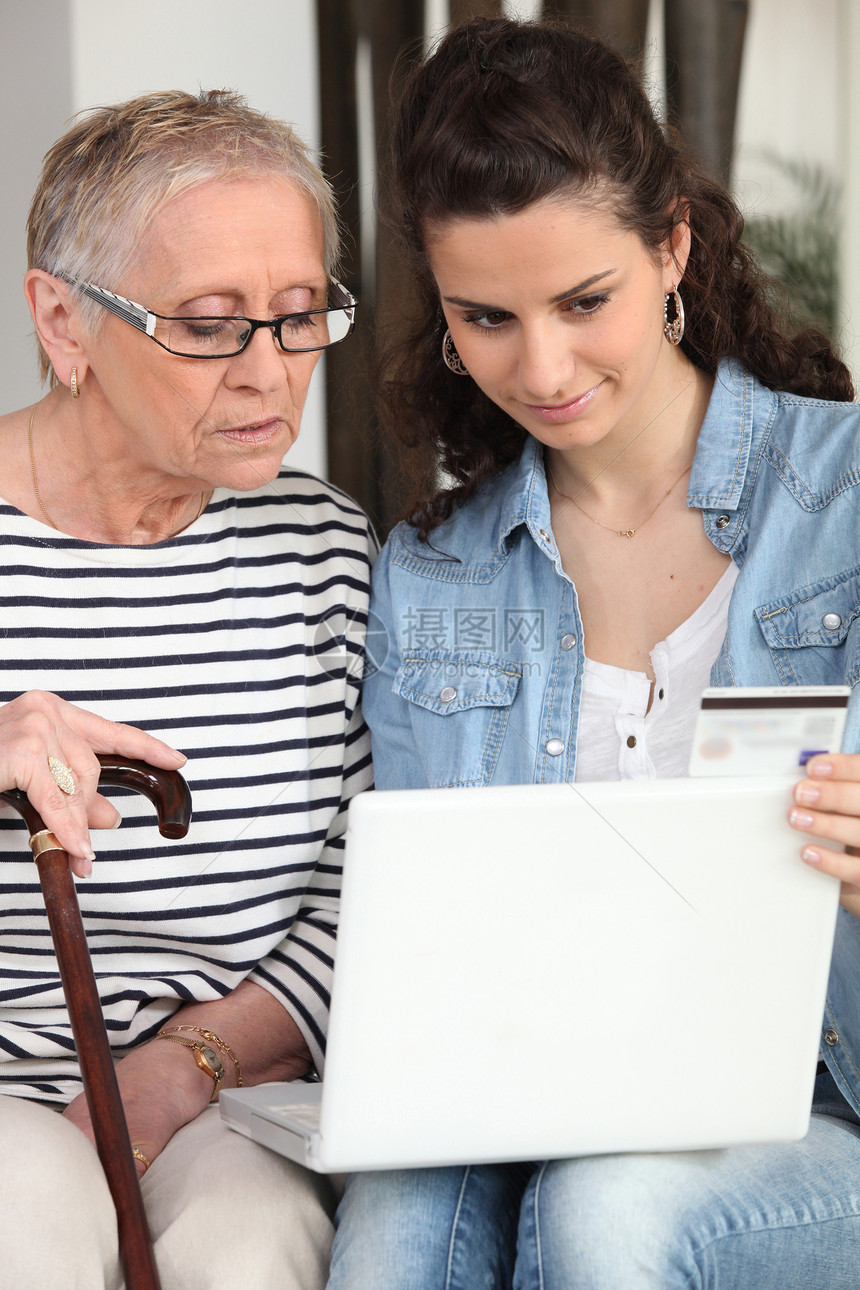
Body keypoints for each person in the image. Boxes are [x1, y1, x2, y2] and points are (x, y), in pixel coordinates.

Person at [327, 16, 860, 1290]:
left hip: (815, 1108)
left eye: (583, 302)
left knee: (608, 1209)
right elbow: (438, 949)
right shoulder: (432, 572)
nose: (543, 367)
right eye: (486, 317)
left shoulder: (843, 501)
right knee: (398, 1225)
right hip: (519, 1107)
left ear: (669, 245)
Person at [0, 89, 373, 1289]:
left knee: (255, 1242)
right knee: (32, 1212)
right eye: (210, 326)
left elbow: (365, 884)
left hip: (220, 1084)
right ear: (63, 319)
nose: (271, 373)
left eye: (299, 316)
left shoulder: (324, 554)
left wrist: (189, 1062)